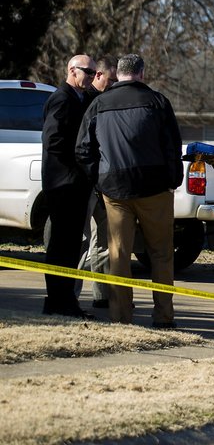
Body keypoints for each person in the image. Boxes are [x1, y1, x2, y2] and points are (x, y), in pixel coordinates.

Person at [75, 54, 183, 327]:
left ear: (118, 74)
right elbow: (172, 145)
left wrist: (99, 179)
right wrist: (173, 180)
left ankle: (121, 316)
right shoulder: (158, 102)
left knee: (118, 254)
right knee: (160, 253)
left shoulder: (99, 104)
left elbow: (83, 149)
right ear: (142, 74)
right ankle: (163, 316)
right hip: (155, 188)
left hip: (115, 189)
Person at [41, 54, 96, 318]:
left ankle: (64, 300)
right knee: (61, 246)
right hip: (63, 184)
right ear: (72, 70)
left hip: (76, 185)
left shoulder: (83, 99)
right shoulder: (61, 99)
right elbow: (53, 141)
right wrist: (79, 169)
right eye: (88, 70)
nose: (92, 75)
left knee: (72, 245)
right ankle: (57, 300)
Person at [75, 55, 118, 308]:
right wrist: (93, 174)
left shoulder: (105, 101)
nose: (113, 85)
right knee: (81, 242)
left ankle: (101, 294)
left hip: (102, 183)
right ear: (99, 75)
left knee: (103, 239)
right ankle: (71, 295)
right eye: (110, 80)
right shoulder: (86, 101)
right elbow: (83, 147)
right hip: (87, 182)